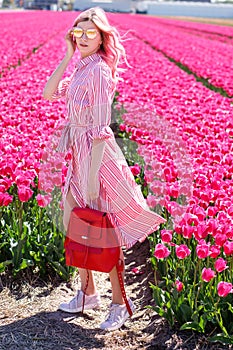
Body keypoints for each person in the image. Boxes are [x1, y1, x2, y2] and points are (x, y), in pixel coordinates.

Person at [43, 7, 166, 331]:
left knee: (104, 232)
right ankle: (87, 294)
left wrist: (93, 180)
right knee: (74, 224)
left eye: (89, 32)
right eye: (78, 32)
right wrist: (68, 55)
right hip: (79, 155)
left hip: (97, 159)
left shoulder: (98, 71)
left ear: (101, 37)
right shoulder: (83, 66)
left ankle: (120, 305)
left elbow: (100, 128)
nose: (83, 37)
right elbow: (48, 92)